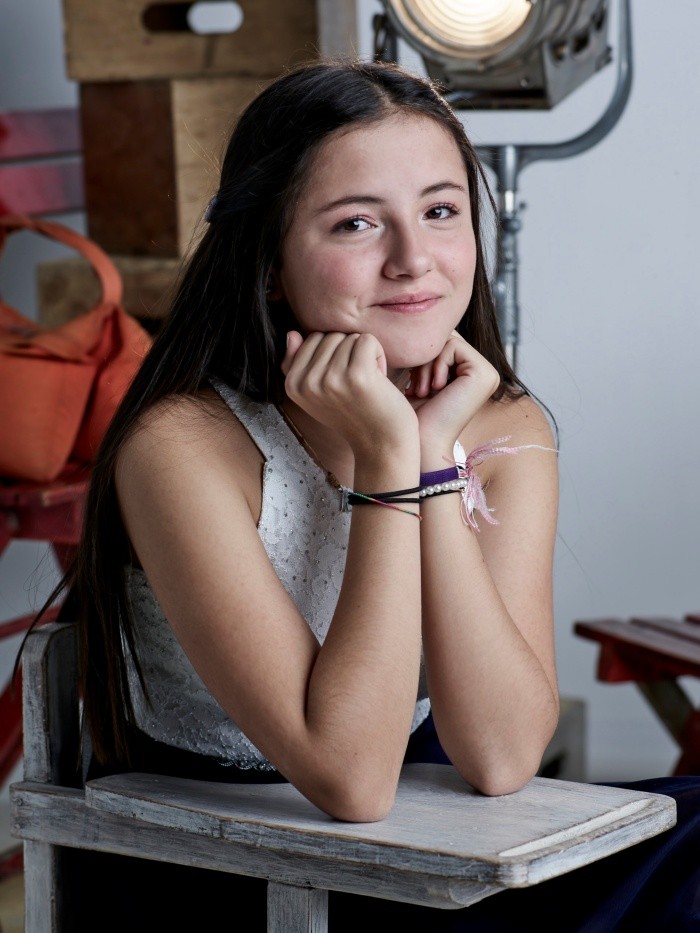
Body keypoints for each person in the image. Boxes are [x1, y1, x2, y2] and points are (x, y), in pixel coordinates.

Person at [33, 58, 699, 931]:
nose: (414, 260)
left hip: (433, 836)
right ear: (269, 263)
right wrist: (389, 460)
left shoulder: (502, 426)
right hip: (235, 869)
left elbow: (502, 757)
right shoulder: (183, 446)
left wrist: (431, 455)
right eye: (356, 223)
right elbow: (350, 778)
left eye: (440, 211)